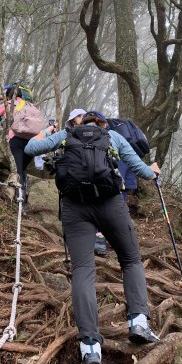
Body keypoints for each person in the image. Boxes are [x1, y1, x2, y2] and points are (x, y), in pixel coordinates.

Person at [24, 110, 161, 364]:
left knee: (83, 271)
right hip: (110, 204)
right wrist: (152, 172)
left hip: (75, 208)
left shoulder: (66, 136)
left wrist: (47, 132)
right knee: (131, 259)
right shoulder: (112, 137)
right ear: (102, 124)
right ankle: (138, 323)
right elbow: (141, 171)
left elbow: (31, 147)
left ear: (79, 123)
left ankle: (90, 348)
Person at [65, 108, 109, 258]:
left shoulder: (69, 135)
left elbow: (32, 148)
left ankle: (83, 245)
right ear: (104, 124)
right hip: (103, 185)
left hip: (76, 185)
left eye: (75, 119)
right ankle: (100, 240)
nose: (73, 122)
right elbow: (133, 162)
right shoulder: (109, 136)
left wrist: (44, 133)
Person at [0, 85, 35, 202]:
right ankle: (23, 198)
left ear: (8, 96)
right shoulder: (30, 106)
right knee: (22, 170)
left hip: (16, 140)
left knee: (18, 171)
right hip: (32, 141)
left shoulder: (7, 105)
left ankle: (19, 199)